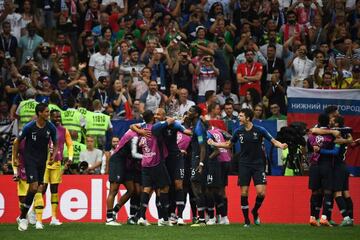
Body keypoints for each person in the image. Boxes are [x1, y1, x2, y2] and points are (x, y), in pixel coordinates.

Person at [208, 108, 287, 227]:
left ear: (248, 118)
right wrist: (215, 144)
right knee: (244, 192)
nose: (238, 118)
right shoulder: (238, 131)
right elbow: (229, 145)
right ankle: (246, 221)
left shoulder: (260, 130)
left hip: (258, 164)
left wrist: (281, 145)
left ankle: (255, 211)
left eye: (241, 116)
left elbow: (273, 141)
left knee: (261, 193)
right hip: (244, 164)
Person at [14, 103, 58, 231]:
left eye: (48, 112)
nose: (48, 114)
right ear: (39, 113)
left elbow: (55, 143)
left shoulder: (51, 127)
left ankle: (24, 214)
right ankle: (23, 218)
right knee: (33, 187)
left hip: (42, 161)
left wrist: (53, 155)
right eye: (46, 112)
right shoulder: (29, 127)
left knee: (39, 187)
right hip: (30, 160)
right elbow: (17, 141)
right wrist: (16, 157)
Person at [136, 110, 172, 226]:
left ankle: (141, 217)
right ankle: (165, 219)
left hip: (145, 163)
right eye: (155, 115)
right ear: (152, 118)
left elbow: (133, 128)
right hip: (156, 162)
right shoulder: (155, 128)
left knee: (147, 189)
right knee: (164, 188)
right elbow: (170, 121)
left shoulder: (142, 128)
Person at [42, 110, 73, 226]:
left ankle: (53, 218)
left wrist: (70, 157)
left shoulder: (64, 130)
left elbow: (70, 144)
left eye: (59, 117)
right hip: (44, 163)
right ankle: (32, 212)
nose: (58, 119)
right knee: (42, 188)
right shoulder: (44, 127)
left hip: (57, 163)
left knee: (54, 190)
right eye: (55, 117)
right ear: (50, 117)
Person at [106, 129, 142, 226]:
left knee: (131, 190)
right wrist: (149, 157)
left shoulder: (138, 138)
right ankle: (109, 219)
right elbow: (134, 154)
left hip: (125, 165)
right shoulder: (133, 137)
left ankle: (114, 211)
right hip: (117, 162)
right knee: (113, 190)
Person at [187, 105, 208, 226]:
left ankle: (201, 219)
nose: (188, 112)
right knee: (197, 188)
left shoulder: (199, 127)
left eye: (191, 111)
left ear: (195, 114)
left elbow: (203, 147)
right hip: (195, 159)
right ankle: (202, 218)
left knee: (197, 187)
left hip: (197, 160)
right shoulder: (195, 125)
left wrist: (200, 163)